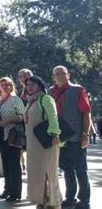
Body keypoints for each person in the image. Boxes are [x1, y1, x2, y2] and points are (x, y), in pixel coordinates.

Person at [50, 66, 92, 209]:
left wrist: (85, 134)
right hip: (60, 137)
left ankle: (84, 200)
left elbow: (86, 113)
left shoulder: (78, 90)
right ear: (53, 77)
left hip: (76, 135)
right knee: (66, 169)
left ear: (68, 75)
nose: (60, 76)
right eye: (57, 74)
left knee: (81, 169)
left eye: (62, 73)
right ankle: (70, 198)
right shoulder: (51, 91)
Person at [24, 75, 63, 208]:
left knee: (49, 171)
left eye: (33, 84)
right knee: (37, 172)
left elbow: (53, 117)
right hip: (33, 143)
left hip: (46, 141)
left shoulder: (46, 98)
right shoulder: (30, 101)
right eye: (27, 85)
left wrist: (55, 135)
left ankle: (54, 201)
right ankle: (42, 199)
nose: (29, 87)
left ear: (40, 86)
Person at [0, 77, 25, 202]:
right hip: (1, 135)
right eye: (2, 85)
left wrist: (8, 120)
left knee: (14, 164)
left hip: (13, 135)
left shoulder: (15, 100)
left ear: (11, 86)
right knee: (5, 163)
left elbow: (22, 116)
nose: (5, 87)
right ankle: (7, 189)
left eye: (7, 85)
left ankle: (15, 192)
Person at [18, 68, 33, 175]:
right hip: (22, 125)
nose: (24, 78)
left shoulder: (36, 90)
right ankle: (22, 167)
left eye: (26, 75)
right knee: (21, 148)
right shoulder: (19, 92)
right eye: (21, 76)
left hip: (33, 124)